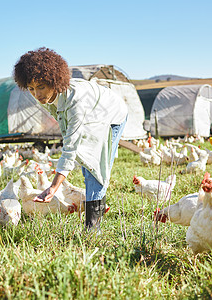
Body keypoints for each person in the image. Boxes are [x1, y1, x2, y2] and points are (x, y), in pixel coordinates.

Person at [13, 47, 128, 232]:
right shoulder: (43, 96)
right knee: (86, 161)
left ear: (54, 81)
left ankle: (92, 229)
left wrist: (53, 187)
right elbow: (62, 121)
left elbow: (71, 146)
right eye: (32, 89)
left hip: (111, 114)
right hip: (91, 111)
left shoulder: (76, 101)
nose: (37, 94)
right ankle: (93, 212)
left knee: (96, 165)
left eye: (41, 87)